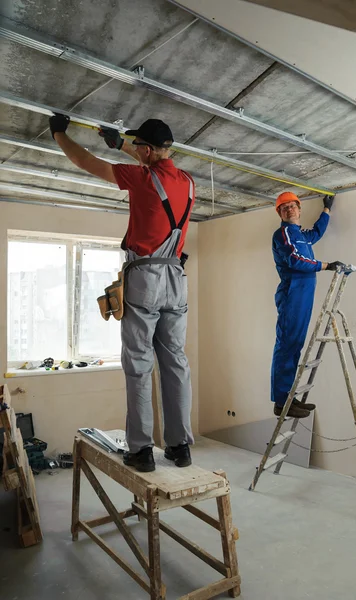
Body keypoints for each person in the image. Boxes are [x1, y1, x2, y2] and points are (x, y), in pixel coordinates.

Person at [49, 113, 195, 472]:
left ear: (147, 149)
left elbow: (85, 162)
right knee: (175, 363)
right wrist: (121, 144)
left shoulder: (140, 178)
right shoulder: (188, 182)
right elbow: (151, 162)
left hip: (144, 278)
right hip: (176, 278)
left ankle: (141, 450)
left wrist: (59, 134)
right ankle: (180, 447)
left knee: (138, 365)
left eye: (138, 146)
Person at [271, 191, 344, 419]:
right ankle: (281, 402)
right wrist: (325, 265)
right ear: (280, 213)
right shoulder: (283, 234)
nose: (289, 209)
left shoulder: (299, 234)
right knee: (287, 346)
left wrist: (327, 209)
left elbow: (316, 233)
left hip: (303, 295)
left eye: (293, 206)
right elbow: (295, 259)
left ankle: (288, 398)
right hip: (293, 294)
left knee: (296, 345)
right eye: (285, 208)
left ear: (299, 209)